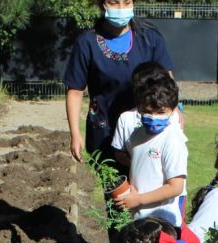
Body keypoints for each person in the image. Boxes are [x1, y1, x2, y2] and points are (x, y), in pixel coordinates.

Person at [63, 0, 174, 164]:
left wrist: (175, 111)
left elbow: (167, 81)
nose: (121, 9)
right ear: (102, 5)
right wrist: (75, 133)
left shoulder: (150, 38)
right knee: (117, 187)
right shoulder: (86, 43)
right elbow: (75, 91)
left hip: (146, 128)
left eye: (127, 2)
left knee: (145, 185)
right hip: (104, 131)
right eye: (114, 3)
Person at [110, 70, 188, 226]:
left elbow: (175, 187)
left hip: (162, 223)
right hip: (139, 217)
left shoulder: (172, 140)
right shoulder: (136, 135)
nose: (153, 117)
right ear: (138, 107)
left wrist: (139, 199)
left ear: (173, 110)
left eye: (160, 112)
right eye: (147, 111)